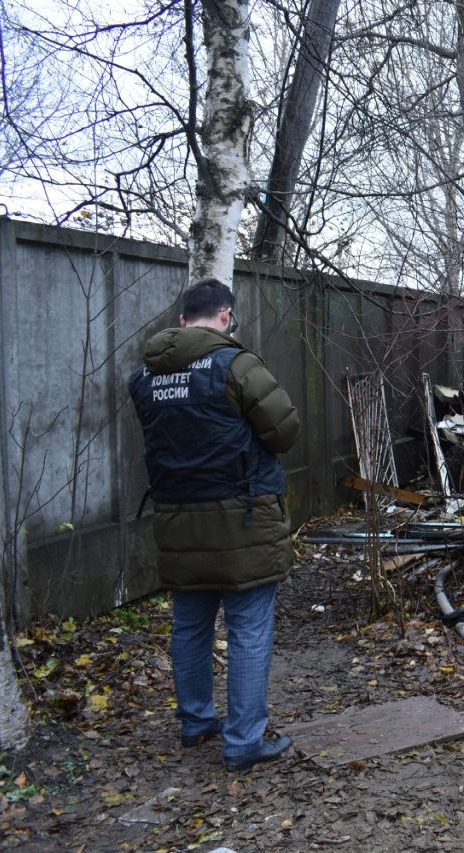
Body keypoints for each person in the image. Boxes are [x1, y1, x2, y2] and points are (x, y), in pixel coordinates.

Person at [129, 278, 300, 772]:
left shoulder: (144, 378)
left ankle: (195, 722)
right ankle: (244, 740)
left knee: (190, 626)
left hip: (178, 522)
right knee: (248, 627)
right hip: (242, 522)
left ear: (183, 321)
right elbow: (284, 431)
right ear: (226, 317)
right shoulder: (237, 365)